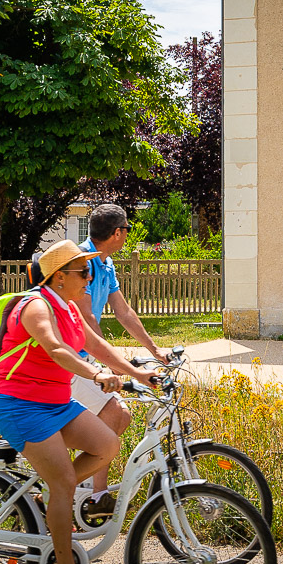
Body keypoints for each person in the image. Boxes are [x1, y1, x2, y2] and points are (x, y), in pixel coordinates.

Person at [0, 239, 124, 564]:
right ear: (60, 277)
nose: (89, 277)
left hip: (55, 402)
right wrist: (96, 376)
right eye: (83, 271)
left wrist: (140, 373)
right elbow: (57, 349)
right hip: (18, 405)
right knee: (63, 482)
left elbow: (98, 348)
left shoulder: (70, 308)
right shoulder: (35, 306)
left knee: (107, 444)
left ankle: (50, 494)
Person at [69, 203, 171, 519]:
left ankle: (92, 493)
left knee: (119, 418)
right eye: (126, 229)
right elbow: (86, 319)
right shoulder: (82, 263)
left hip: (87, 358)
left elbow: (123, 312)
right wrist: (113, 362)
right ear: (117, 233)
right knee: (115, 412)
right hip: (71, 360)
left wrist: (155, 350)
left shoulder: (107, 264)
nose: (127, 235)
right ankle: (82, 491)